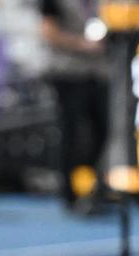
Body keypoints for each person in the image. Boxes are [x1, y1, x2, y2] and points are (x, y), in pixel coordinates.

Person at [40, 0, 110, 215]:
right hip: (67, 73)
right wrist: (81, 44)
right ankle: (69, 194)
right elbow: (48, 32)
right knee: (71, 134)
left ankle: (92, 188)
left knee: (102, 131)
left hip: (97, 73)